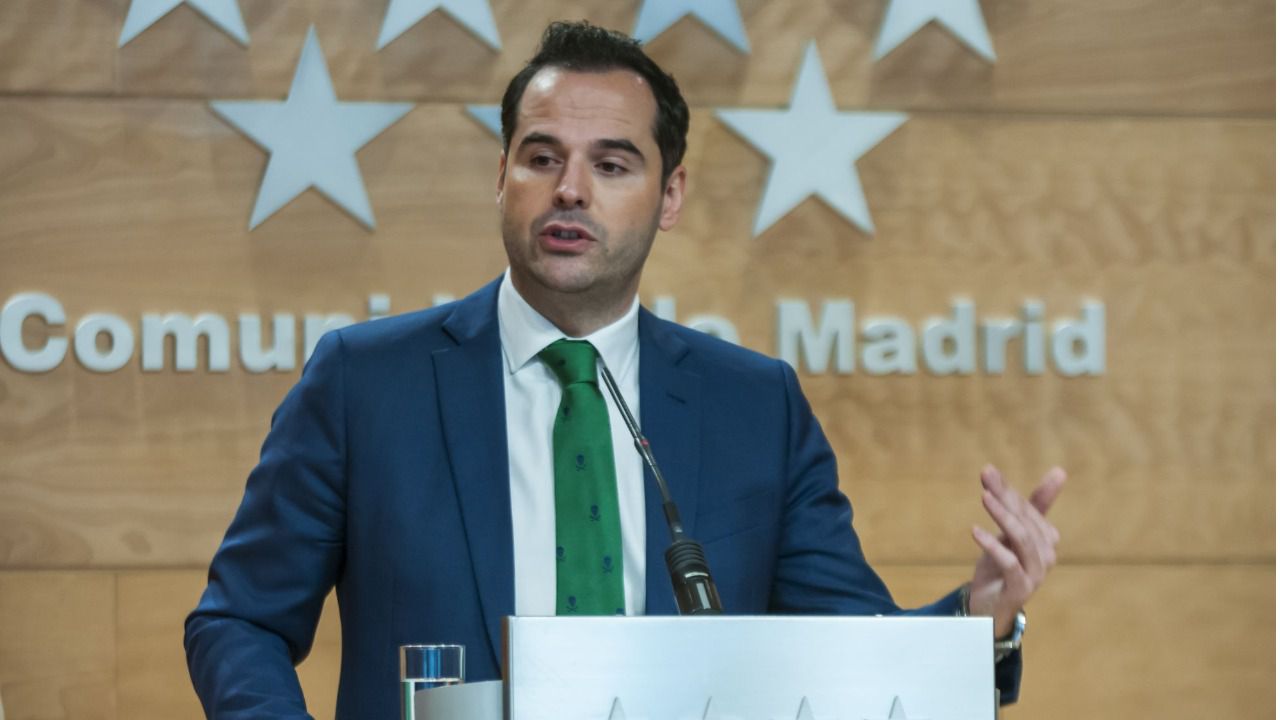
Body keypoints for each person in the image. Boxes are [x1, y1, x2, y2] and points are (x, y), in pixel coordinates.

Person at [185, 20, 1064, 719]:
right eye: (542, 158)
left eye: (612, 164)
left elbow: (849, 654)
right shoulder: (365, 384)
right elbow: (239, 621)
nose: (570, 189)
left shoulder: (753, 407)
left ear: (669, 195)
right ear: (501, 177)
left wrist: (977, 620)